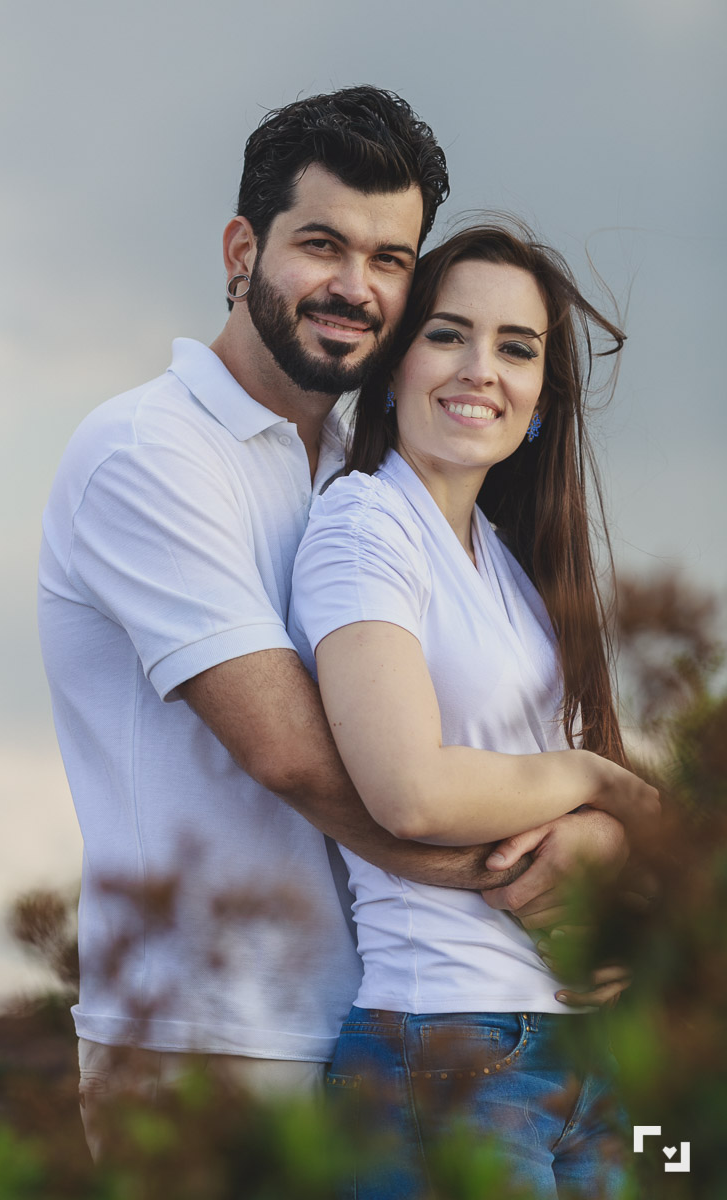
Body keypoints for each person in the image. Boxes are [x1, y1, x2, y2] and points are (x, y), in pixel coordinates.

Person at [38, 87, 631, 1157]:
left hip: (358, 1026)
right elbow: (302, 759)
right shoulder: (151, 453)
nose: (356, 287)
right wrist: (542, 870)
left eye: (390, 259)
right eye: (322, 245)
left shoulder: (347, 479)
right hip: (203, 1044)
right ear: (242, 251)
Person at [289, 221, 660, 1198]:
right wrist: (594, 781)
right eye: (447, 334)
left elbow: (556, 815)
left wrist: (605, 850)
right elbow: (409, 789)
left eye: (516, 348)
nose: (479, 369)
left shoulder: (510, 567)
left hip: (578, 1060)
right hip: (446, 1053)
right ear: (393, 366)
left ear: (541, 400)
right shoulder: (363, 527)